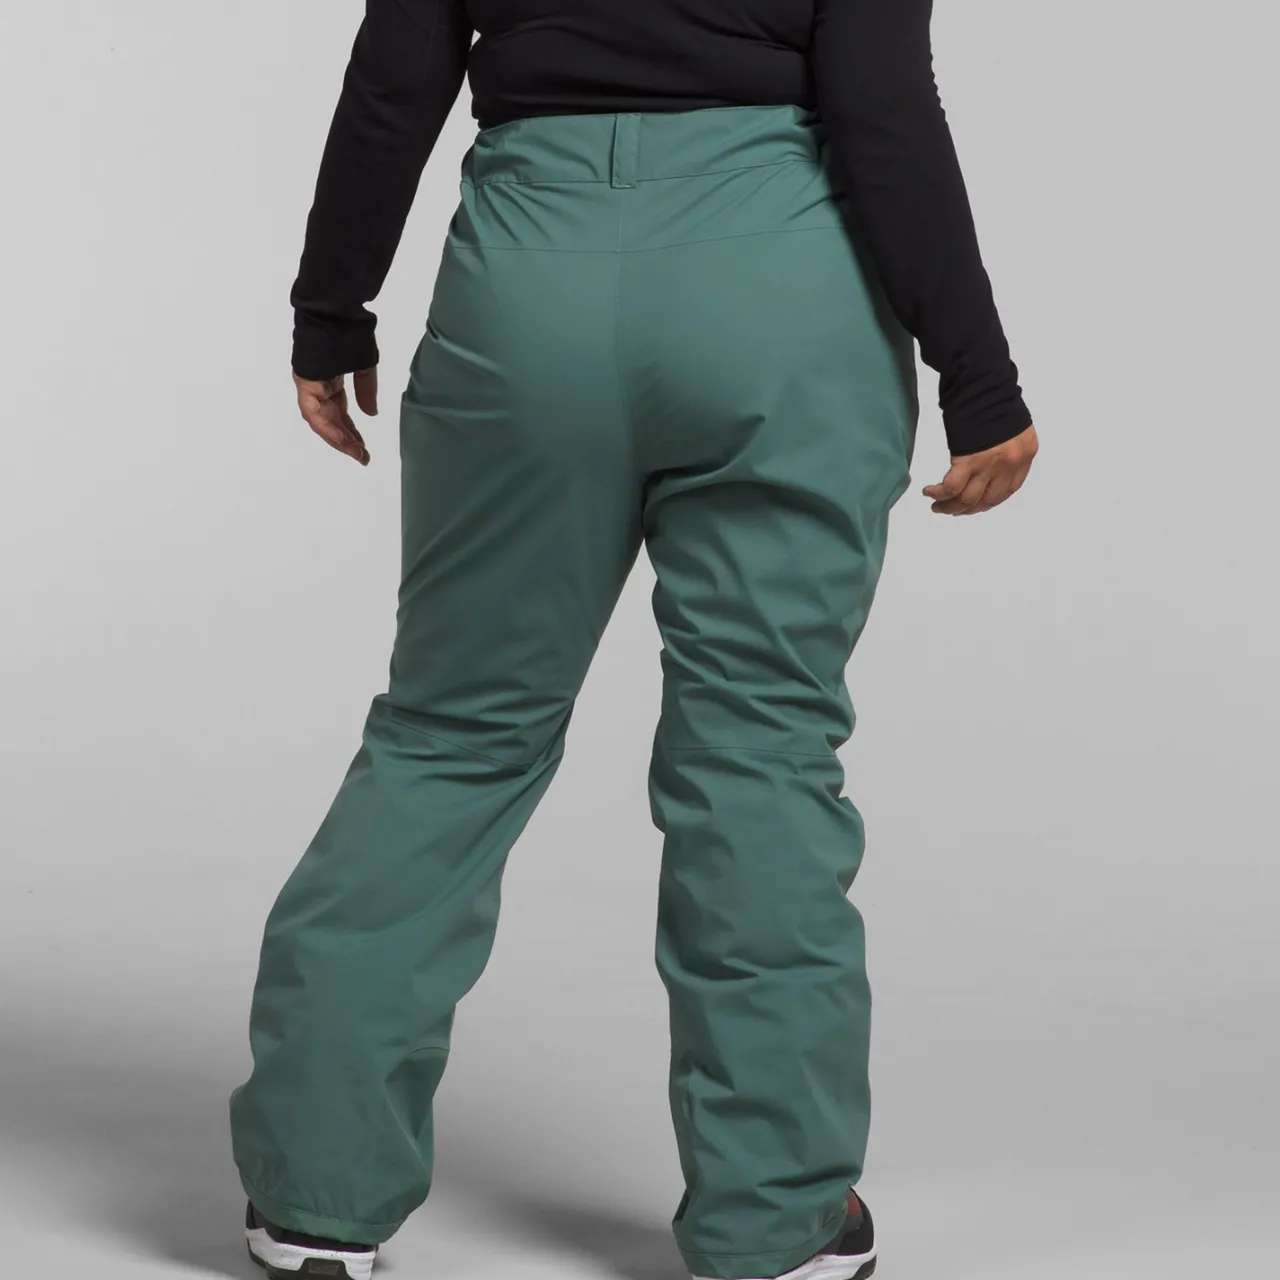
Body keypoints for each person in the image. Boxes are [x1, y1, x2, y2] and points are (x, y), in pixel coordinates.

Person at [229, 3, 1039, 1279]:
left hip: (528, 278)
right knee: (760, 751)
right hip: (779, 286)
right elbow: (881, 103)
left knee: (450, 732)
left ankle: (315, 1196)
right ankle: (774, 1219)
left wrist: (332, 306)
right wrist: (976, 376)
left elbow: (398, 72)